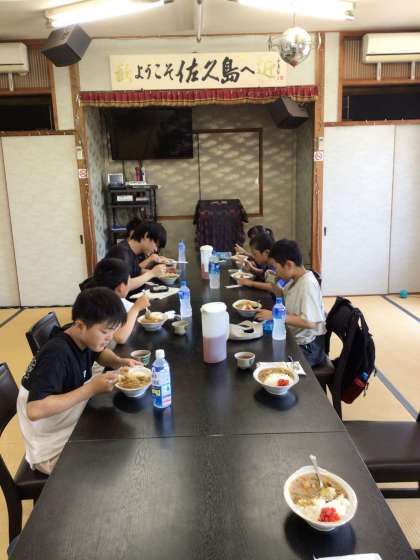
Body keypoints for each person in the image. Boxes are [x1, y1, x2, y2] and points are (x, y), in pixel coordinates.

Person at [17, 287, 140, 475]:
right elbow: (34, 410)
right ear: (80, 325)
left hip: (66, 420)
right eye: (105, 332)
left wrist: (119, 362)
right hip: (49, 448)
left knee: (121, 434)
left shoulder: (81, 337)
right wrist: (91, 389)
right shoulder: (57, 354)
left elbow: (99, 353)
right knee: (113, 465)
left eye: (112, 332)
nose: (109, 338)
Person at [255, 239, 326, 367]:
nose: (275, 271)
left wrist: (273, 315)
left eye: (276, 267)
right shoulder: (294, 279)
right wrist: (274, 283)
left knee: (269, 361)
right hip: (295, 338)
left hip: (308, 347)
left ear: (289, 265)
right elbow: (282, 298)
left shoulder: (307, 284)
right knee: (263, 347)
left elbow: (309, 322)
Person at [92, 257, 150, 344]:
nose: (131, 283)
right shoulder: (104, 305)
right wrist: (136, 308)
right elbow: (119, 338)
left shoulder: (102, 297)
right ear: (121, 288)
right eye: (129, 280)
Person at [105, 221, 168, 294]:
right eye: (156, 245)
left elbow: (136, 271)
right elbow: (125, 286)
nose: (156, 250)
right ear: (146, 236)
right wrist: (152, 273)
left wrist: (162, 272)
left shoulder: (133, 252)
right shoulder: (121, 252)